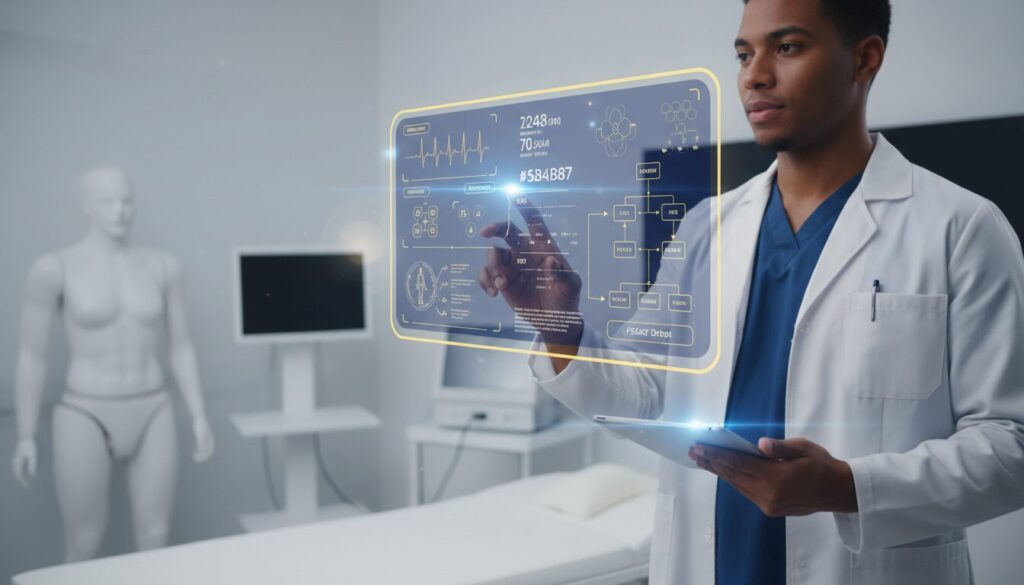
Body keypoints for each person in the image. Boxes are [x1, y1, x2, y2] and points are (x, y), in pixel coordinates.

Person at [478, 0, 1024, 583]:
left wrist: (849, 487)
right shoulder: (705, 227)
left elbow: (1011, 443)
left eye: (786, 48)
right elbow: (643, 392)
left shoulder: (959, 227)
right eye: (744, 53)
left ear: (865, 59)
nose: (754, 75)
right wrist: (560, 327)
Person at [11, 166, 215, 562]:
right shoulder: (54, 268)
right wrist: (25, 433)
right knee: (85, 539)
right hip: (85, 410)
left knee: (156, 536)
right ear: (86, 205)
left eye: (127, 200)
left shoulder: (162, 266)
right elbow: (31, 356)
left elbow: (181, 345)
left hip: (152, 406)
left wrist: (198, 414)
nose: (120, 210)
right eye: (108, 202)